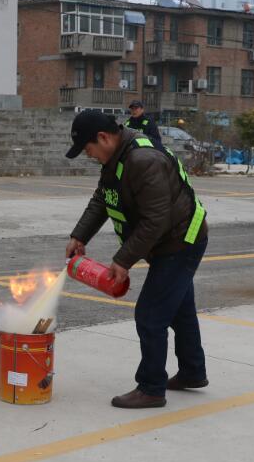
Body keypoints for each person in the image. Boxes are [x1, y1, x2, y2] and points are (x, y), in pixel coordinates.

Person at [64, 109, 209, 409]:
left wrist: (123, 260)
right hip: (167, 241)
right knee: (180, 311)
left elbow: (155, 220)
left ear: (103, 138)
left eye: (88, 149)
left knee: (150, 315)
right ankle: (192, 372)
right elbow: (103, 198)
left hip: (181, 242)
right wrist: (80, 235)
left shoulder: (143, 160)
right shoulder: (117, 158)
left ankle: (151, 388)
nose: (89, 156)